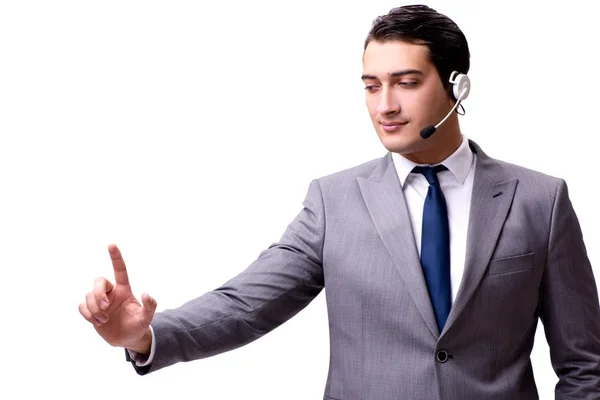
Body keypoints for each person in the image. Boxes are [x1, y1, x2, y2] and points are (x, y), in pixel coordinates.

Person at [79, 5, 600, 399]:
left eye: (407, 83)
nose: (385, 106)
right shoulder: (334, 201)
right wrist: (147, 335)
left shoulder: (539, 200)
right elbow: (246, 306)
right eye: (372, 86)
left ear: (457, 86)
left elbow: (584, 364)